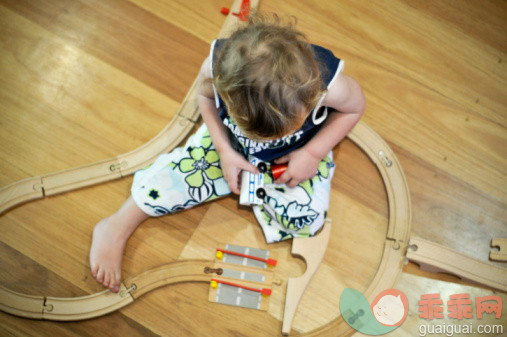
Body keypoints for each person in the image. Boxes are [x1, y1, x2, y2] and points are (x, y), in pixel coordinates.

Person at [89, 13, 365, 293]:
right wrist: (223, 149)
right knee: (173, 178)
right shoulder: (214, 70)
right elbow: (205, 98)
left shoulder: (328, 87)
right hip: (230, 143)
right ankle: (116, 226)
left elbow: (355, 108)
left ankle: (263, 186)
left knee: (308, 218)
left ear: (309, 97)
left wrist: (313, 152)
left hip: (299, 152)